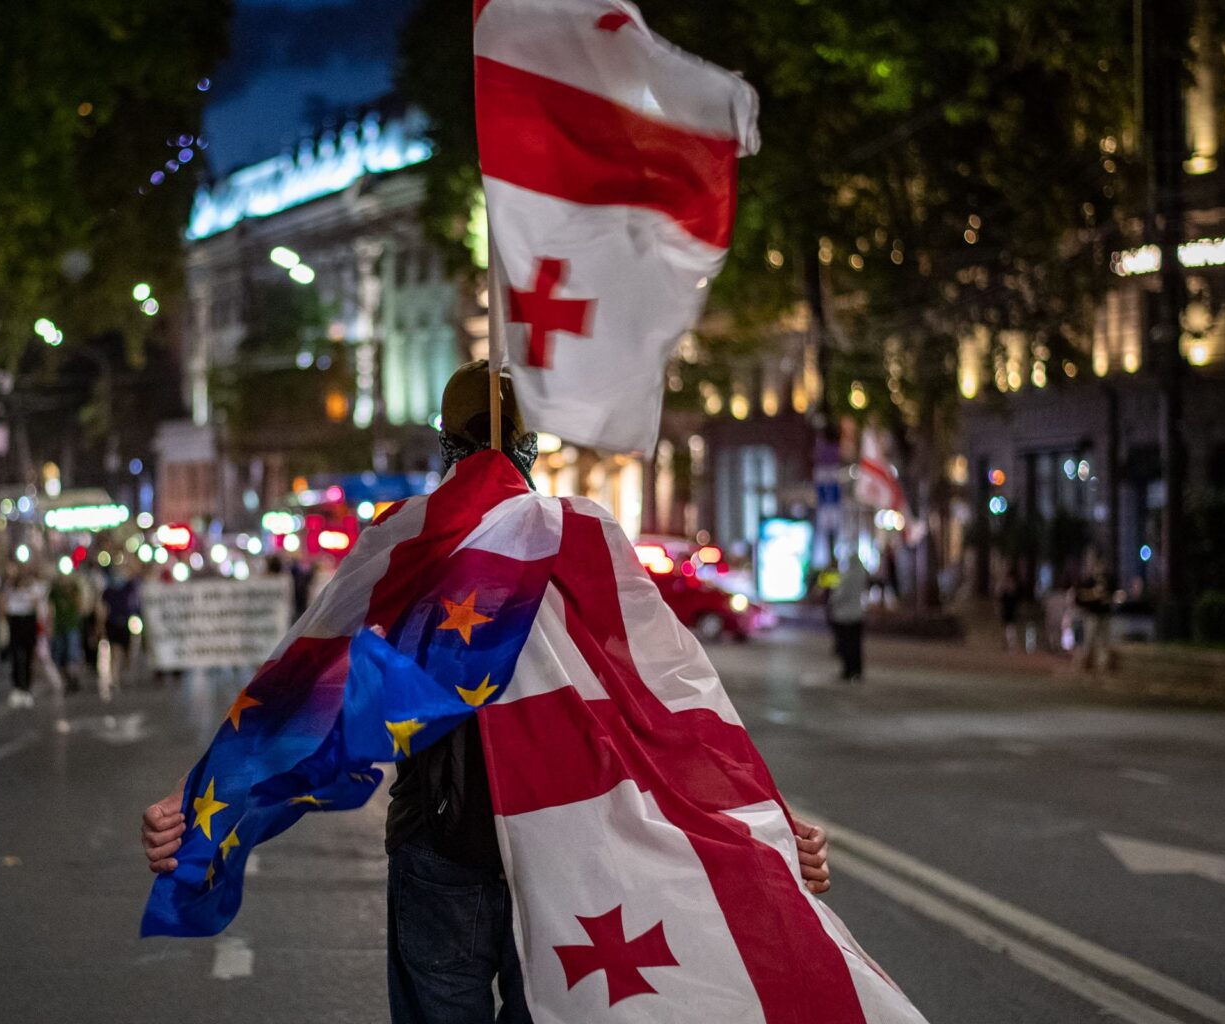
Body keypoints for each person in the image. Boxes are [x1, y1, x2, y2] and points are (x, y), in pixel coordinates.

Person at [139, 361, 833, 1024]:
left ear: (445, 441)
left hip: (441, 848)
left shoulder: (406, 536)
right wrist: (767, 821)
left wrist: (199, 793)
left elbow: (302, 685)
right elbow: (673, 702)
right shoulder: (587, 535)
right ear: (531, 445)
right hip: (563, 855)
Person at [2, 566, 45, 708]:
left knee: (27, 656)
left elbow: (37, 605)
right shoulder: (10, 589)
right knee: (16, 655)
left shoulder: (34, 588)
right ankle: (16, 687)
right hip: (15, 622)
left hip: (28, 622)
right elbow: (4, 605)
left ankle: (26, 688)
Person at [828, 551, 870, 682]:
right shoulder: (862, 576)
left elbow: (839, 595)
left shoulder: (847, 577)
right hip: (857, 615)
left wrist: (831, 602)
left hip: (844, 617)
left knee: (846, 645)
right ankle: (856, 670)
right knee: (856, 646)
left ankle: (848, 670)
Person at [48, 570, 85, 694]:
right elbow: (50, 607)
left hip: (72, 625)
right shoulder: (55, 589)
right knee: (59, 655)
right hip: (59, 626)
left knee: (72, 653)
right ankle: (67, 679)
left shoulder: (74, 587)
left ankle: (74, 677)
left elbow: (80, 604)